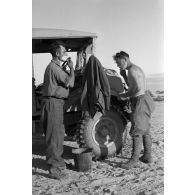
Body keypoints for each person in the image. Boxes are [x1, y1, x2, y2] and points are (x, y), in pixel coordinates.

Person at [113, 51, 155, 169]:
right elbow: (134, 85)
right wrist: (124, 76)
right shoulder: (134, 70)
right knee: (145, 130)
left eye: (118, 62)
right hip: (145, 99)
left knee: (136, 131)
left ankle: (134, 160)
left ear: (125, 59)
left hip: (140, 101)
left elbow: (135, 89)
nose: (117, 65)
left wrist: (124, 95)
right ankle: (147, 156)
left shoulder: (132, 70)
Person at [41, 40, 75, 179]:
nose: (65, 53)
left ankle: (58, 163)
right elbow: (71, 83)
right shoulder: (54, 68)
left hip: (56, 103)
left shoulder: (56, 68)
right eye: (63, 51)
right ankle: (54, 169)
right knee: (54, 136)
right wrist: (72, 68)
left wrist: (66, 69)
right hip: (53, 103)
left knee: (59, 134)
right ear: (57, 53)